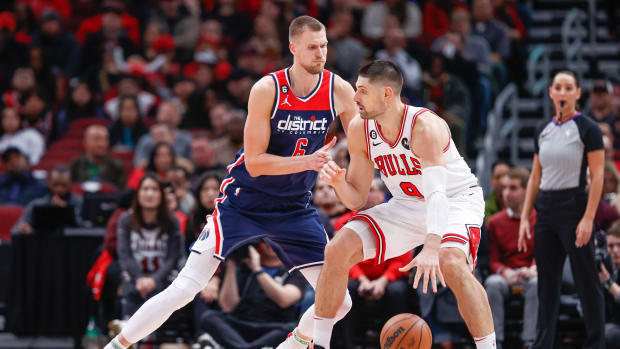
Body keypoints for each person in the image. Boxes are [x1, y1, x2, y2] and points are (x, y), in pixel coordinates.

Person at [103, 15, 356, 349]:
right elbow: (255, 163)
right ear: (293, 48)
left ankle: (291, 345)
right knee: (186, 287)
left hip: (294, 206)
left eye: (324, 45)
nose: (320, 53)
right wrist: (308, 162)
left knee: (340, 301)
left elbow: (362, 142)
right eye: (312, 47)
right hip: (244, 201)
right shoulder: (268, 89)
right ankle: (117, 345)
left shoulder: (339, 90)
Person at [313, 60, 495, 349]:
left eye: (362, 91)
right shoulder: (360, 128)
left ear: (386, 94)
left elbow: (436, 195)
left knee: (450, 263)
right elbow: (358, 199)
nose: (355, 98)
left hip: (454, 200)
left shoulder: (424, 125)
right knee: (337, 249)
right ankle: (319, 343)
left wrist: (432, 245)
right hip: (406, 203)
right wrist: (338, 184)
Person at [518, 70, 605, 349]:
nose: (564, 92)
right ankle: (543, 344)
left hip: (575, 207)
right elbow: (534, 176)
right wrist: (524, 217)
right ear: (551, 93)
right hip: (546, 210)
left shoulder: (588, 128)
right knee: (547, 285)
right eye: (559, 87)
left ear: (578, 94)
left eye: (569, 87)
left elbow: (599, 175)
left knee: (586, 281)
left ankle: (596, 343)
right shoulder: (542, 130)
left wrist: (589, 218)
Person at [200, 242, 307, 349]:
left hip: (273, 327)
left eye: (276, 241)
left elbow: (284, 300)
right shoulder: (245, 265)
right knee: (209, 317)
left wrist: (257, 270)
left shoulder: (294, 271)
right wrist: (231, 265)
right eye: (267, 241)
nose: (271, 245)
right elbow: (228, 306)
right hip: (241, 323)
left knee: (292, 329)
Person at [485, 167, 537, 349]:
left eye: (513, 188)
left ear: (526, 190)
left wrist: (531, 270)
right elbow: (492, 259)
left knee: (537, 284)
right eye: (505, 188)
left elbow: (542, 255)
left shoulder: (539, 219)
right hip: (506, 276)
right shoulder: (494, 222)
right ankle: (494, 342)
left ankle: (530, 342)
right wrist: (506, 272)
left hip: (530, 274)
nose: (506, 193)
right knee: (492, 283)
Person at [117, 174, 182, 318]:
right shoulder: (126, 220)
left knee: (158, 293)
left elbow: (173, 257)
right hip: (135, 276)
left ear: (161, 195)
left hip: (162, 277)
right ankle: (127, 335)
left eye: (155, 189)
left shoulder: (172, 221)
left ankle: (150, 337)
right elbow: (124, 254)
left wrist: (154, 280)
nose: (150, 193)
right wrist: (140, 278)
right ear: (138, 194)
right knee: (130, 291)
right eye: (145, 189)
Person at [11, 167, 83, 234]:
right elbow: (15, 230)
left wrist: (66, 211)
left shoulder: (81, 202)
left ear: (71, 183)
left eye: (64, 185)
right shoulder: (36, 204)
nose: (59, 189)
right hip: (43, 245)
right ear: (49, 183)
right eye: (56, 184)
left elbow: (89, 228)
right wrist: (23, 228)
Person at [599, 222, 620, 348]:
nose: (615, 250)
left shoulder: (608, 277)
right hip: (611, 323)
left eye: (619, 245)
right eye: (611, 246)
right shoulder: (608, 269)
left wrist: (608, 283)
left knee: (607, 333)